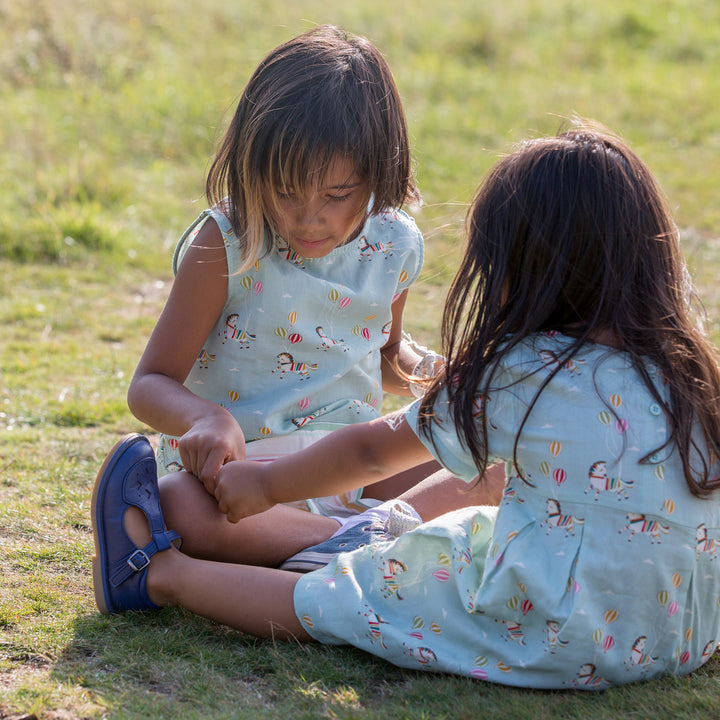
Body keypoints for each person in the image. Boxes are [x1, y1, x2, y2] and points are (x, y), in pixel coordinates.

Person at [93, 119, 720, 689]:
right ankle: (362, 533)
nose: (312, 215)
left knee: (340, 599)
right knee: (477, 516)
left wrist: (262, 485)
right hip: (678, 634)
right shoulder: (693, 370)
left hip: (553, 629)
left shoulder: (515, 369)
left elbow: (371, 446)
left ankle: (159, 576)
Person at [124, 25, 487, 569]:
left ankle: (334, 542)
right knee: (178, 504)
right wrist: (206, 421)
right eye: (287, 191)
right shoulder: (226, 243)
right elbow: (149, 384)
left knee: (494, 463)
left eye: (338, 195)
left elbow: (384, 356)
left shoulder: (394, 242)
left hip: (348, 469)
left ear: (379, 172)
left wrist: (435, 374)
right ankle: (365, 546)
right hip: (240, 481)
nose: (310, 217)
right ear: (253, 166)